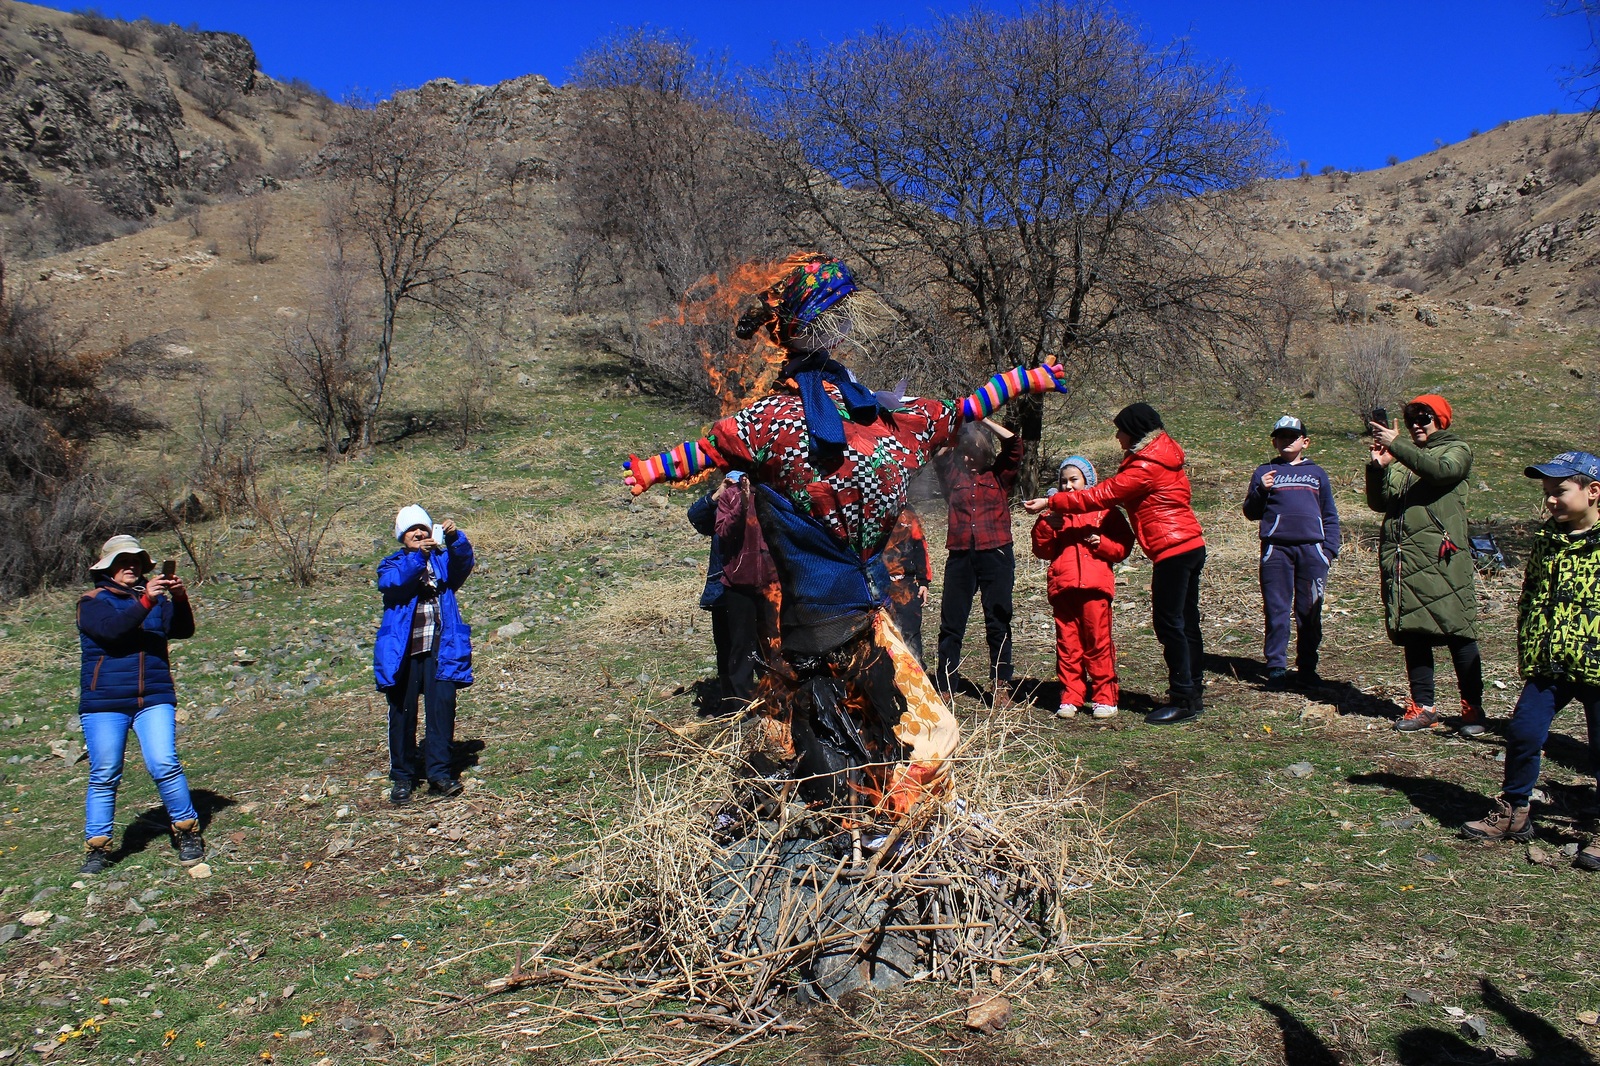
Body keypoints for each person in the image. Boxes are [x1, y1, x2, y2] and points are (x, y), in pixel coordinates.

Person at [623, 253, 1068, 822]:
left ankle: (851, 807)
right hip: (839, 620)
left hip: (845, 613)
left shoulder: (842, 416)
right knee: (929, 732)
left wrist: (652, 470)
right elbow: (956, 413)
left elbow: (955, 413)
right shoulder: (824, 419)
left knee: (850, 731)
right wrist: (652, 469)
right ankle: (887, 815)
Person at [1024, 403, 1207, 725]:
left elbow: (1101, 495)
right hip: (1189, 543)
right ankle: (1192, 693)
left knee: (1170, 624)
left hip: (1173, 548)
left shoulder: (1146, 465)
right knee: (1185, 622)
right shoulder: (1164, 456)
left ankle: (1183, 698)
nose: (1117, 435)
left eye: (1121, 429)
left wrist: (1051, 500)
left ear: (1134, 431)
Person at [1462, 451, 1600, 860]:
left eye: (1559, 491)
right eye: (1546, 493)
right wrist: (1531, 647)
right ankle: (1516, 810)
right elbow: (1532, 598)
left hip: (1597, 664)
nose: (1550, 501)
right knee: (1523, 733)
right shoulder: (1546, 539)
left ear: (1593, 492)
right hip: (1550, 663)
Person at [75, 535, 203, 874]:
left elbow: (182, 630)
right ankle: (98, 848)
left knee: (164, 762)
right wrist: (146, 601)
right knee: (105, 773)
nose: (130, 566)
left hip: (154, 696)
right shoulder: (92, 602)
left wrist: (178, 596)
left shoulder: (155, 599)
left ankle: (187, 830)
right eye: (122, 561)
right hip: (104, 702)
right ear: (107, 569)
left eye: (135, 561)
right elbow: (112, 631)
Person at [1366, 394, 1485, 734]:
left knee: (1458, 631)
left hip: (1442, 558)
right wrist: (1378, 468)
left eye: (1425, 418)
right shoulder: (1403, 459)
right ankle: (1423, 706)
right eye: (1411, 419)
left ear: (1441, 421)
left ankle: (1472, 708)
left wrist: (1398, 445)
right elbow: (1381, 502)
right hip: (1406, 559)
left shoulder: (1456, 449)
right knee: (1414, 631)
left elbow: (1441, 472)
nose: (1417, 424)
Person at [374, 505, 475, 805]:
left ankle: (440, 775)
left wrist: (456, 539)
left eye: (423, 528)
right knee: (402, 715)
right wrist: (421, 556)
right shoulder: (390, 564)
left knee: (441, 711)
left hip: (441, 649)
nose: (418, 533)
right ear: (401, 536)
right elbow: (396, 583)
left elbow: (464, 563)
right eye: (411, 530)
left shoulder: (442, 562)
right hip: (402, 653)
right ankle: (403, 777)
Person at [1241, 415, 1342, 689]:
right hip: (1276, 551)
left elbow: (1330, 514)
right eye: (1281, 437)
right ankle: (1276, 667)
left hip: (1312, 551)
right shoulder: (1264, 471)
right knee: (1276, 609)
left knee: (1309, 611)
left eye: (1292, 437)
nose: (1286, 441)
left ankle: (1307, 667)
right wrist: (1261, 490)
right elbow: (1251, 512)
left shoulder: (1317, 473)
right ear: (1274, 441)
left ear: (1305, 442)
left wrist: (1328, 551)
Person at [1031, 457, 1135, 720]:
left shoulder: (1105, 511)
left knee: (1098, 643)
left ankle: (1104, 697)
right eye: (1063, 481)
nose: (1068, 486)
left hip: (1095, 587)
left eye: (1074, 479)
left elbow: (1122, 546)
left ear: (1088, 481)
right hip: (1063, 587)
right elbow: (1042, 551)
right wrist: (1045, 526)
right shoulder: (1054, 515)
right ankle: (1071, 696)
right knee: (1067, 645)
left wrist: (1102, 543)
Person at [934, 421, 1024, 707]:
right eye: (964, 452)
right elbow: (938, 452)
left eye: (973, 452)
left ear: (986, 452)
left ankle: (1001, 686)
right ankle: (946, 684)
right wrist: (959, 423)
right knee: (952, 623)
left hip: (995, 553)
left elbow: (1014, 445)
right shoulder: (952, 475)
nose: (967, 457)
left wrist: (983, 419)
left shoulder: (999, 475)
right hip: (960, 555)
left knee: (998, 620)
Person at [882, 505, 932, 665]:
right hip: (878, 583)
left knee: (910, 629)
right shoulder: (871, 508)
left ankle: (916, 671)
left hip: (906, 582)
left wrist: (923, 581)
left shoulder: (908, 512)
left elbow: (920, 546)